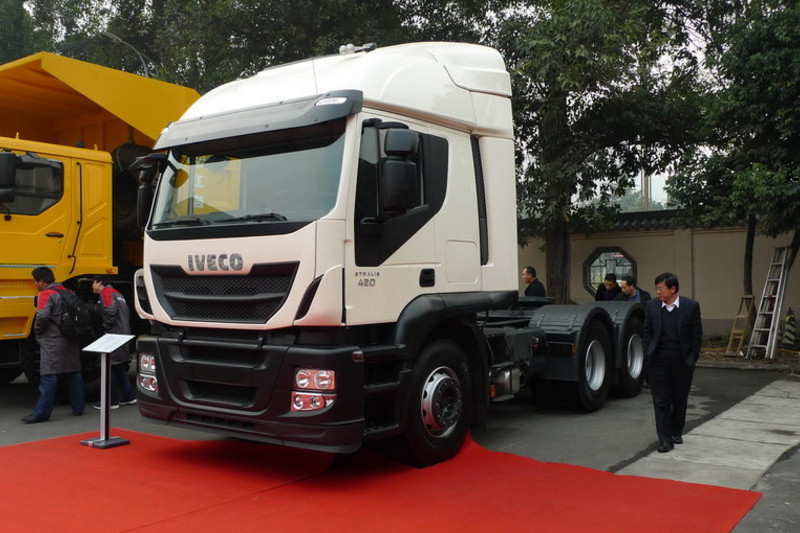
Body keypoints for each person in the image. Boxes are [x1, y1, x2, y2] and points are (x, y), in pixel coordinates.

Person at [642, 272, 702, 453]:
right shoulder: (652, 306)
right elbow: (646, 332)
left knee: (679, 398)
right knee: (661, 400)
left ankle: (676, 432)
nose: (658, 292)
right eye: (657, 289)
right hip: (658, 361)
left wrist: (691, 359)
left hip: (682, 361)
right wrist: (648, 353)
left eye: (661, 288)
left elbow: (696, 335)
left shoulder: (691, 306)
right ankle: (665, 440)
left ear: (673, 289)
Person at [22, 267, 85, 423]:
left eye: (35, 281)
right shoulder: (67, 291)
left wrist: (38, 331)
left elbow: (42, 316)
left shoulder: (46, 294)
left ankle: (41, 413)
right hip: (70, 338)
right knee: (73, 373)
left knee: (48, 376)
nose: (35, 284)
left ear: (41, 281)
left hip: (52, 341)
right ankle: (78, 408)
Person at [91, 276, 136, 409]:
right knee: (119, 367)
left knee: (109, 368)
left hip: (114, 335)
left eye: (93, 282)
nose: (92, 286)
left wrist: (105, 326)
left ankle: (111, 401)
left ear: (99, 282)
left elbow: (110, 311)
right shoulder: (117, 293)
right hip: (123, 334)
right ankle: (128, 396)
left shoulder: (106, 292)